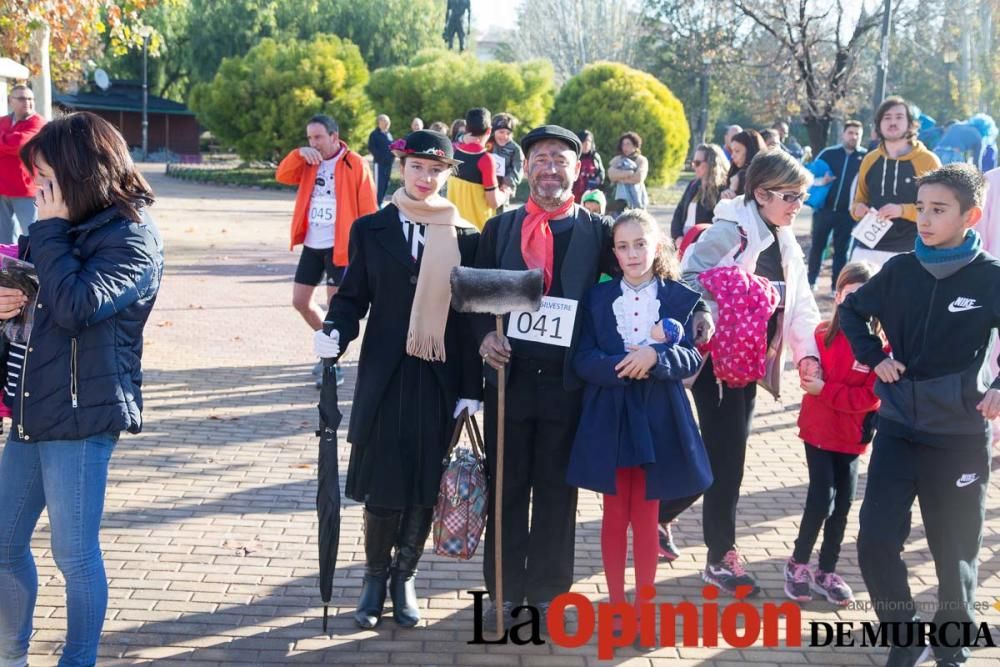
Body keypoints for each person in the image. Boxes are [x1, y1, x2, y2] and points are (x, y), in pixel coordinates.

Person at [0, 111, 163, 667]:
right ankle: (10, 654)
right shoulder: (55, 227)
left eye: (43, 176)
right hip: (30, 410)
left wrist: (46, 230)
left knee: (74, 555)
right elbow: (39, 311)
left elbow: (75, 307)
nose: (34, 189)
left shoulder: (132, 238)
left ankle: (79, 660)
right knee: (3, 544)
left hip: (81, 415)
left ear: (79, 171)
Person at [312, 130, 481, 630]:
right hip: (387, 375)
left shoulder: (466, 235)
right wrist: (334, 332)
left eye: (436, 171)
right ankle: (374, 577)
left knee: (425, 484)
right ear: (401, 167)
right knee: (385, 483)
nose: (426, 179)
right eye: (417, 168)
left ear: (447, 174)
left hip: (440, 376)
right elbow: (352, 298)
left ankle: (405, 576)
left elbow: (471, 317)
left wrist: (471, 386)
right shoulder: (371, 229)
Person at [840, 163, 1000, 666]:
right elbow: (850, 310)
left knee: (955, 553)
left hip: (958, 437)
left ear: (970, 216)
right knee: (875, 542)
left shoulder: (990, 277)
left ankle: (951, 643)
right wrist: (875, 354)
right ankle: (904, 635)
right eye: (922, 208)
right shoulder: (900, 270)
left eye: (938, 210)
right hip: (898, 429)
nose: (925, 220)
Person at [662, 149, 822, 596]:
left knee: (723, 457)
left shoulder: (784, 237)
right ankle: (720, 556)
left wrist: (808, 354)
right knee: (726, 460)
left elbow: (801, 301)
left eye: (802, 195)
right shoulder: (729, 230)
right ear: (762, 193)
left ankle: (660, 513)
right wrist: (731, 293)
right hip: (716, 362)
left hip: (750, 365)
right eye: (791, 195)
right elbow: (687, 279)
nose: (798, 204)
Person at [567, 209, 712, 614]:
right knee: (615, 513)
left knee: (647, 515)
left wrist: (655, 356)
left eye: (640, 244)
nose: (632, 254)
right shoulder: (597, 298)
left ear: (657, 246)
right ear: (613, 252)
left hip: (658, 414)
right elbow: (583, 358)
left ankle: (644, 605)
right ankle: (616, 604)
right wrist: (620, 366)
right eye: (623, 246)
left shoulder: (679, 296)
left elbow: (690, 357)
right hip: (610, 411)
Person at [784, 262, 880, 606]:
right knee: (820, 499)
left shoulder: (880, 350)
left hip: (852, 440)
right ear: (837, 296)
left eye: (864, 296)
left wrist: (826, 390)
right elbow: (808, 376)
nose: (856, 303)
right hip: (819, 434)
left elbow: (869, 398)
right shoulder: (821, 337)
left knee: (843, 505)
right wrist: (817, 383)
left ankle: (826, 570)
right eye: (849, 294)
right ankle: (798, 564)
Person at [275, 114, 377, 386]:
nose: (313, 143)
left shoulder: (355, 163)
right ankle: (328, 349)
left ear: (334, 136)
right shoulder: (309, 161)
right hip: (312, 243)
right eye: (309, 137)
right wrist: (298, 153)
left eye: (318, 137)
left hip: (341, 246)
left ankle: (333, 362)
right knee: (300, 301)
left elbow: (368, 207)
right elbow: (282, 175)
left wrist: (367, 248)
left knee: (336, 308)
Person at [850, 96, 940, 268]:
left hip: (910, 251)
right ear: (878, 125)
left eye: (899, 117)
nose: (893, 122)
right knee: (854, 294)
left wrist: (902, 210)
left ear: (910, 124)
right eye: (887, 117)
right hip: (866, 249)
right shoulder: (870, 159)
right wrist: (858, 210)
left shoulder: (928, 161)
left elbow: (938, 209)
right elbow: (858, 202)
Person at [807, 120, 868, 294]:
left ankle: (836, 287)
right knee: (817, 246)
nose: (854, 137)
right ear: (843, 134)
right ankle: (811, 281)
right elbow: (809, 176)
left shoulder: (865, 157)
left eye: (857, 134)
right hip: (824, 210)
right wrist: (822, 181)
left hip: (847, 214)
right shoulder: (829, 153)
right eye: (850, 133)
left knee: (841, 251)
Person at [446, 108, 507, 230]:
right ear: (489, 130)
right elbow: (493, 202)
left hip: (453, 227)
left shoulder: (453, 152)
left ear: (467, 129)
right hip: (478, 230)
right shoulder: (486, 159)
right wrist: (505, 193)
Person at [0, 85, 45, 243]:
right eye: (22, 98)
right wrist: (7, 141)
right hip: (2, 189)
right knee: (3, 239)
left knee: (32, 235)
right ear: (10, 101)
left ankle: (36, 267)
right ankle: (5, 268)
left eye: (30, 99)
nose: (28, 102)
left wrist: (7, 140)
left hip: (27, 189)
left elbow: (20, 144)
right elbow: (12, 144)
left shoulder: (38, 123)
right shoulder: (3, 121)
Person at [670, 143, 729, 246]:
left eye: (697, 163)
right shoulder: (693, 184)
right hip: (684, 243)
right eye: (693, 162)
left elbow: (717, 225)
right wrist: (678, 237)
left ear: (711, 164)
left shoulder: (722, 190)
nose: (694, 166)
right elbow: (678, 212)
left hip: (703, 246)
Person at [489, 113, 524, 212]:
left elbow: (517, 170)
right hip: (485, 187)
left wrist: (507, 183)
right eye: (501, 132)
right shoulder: (487, 143)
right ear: (494, 131)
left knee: (499, 217)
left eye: (508, 133)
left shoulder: (515, 149)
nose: (505, 136)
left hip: (503, 189)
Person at [608, 132, 649, 212]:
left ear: (635, 145)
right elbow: (611, 175)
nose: (625, 147)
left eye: (628, 144)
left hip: (637, 198)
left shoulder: (641, 160)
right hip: (618, 200)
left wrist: (619, 178)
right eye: (623, 144)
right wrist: (628, 173)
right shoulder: (617, 159)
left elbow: (639, 177)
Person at [721, 129, 766, 200]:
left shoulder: (761, 179)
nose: (732, 156)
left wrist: (733, 193)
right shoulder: (733, 173)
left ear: (750, 151)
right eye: (732, 151)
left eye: (737, 151)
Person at [572, 130, 606, 203]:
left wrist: (598, 178)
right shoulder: (573, 156)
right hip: (574, 193)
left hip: (591, 194)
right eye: (584, 141)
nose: (586, 144)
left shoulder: (595, 157)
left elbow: (601, 173)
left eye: (589, 141)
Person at [368, 114, 395, 205]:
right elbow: (371, 148)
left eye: (388, 121)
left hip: (389, 164)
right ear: (379, 122)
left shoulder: (389, 134)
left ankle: (380, 202)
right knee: (379, 185)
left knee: (386, 184)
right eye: (385, 121)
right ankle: (375, 204)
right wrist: (381, 157)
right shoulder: (374, 134)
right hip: (379, 164)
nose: (387, 123)